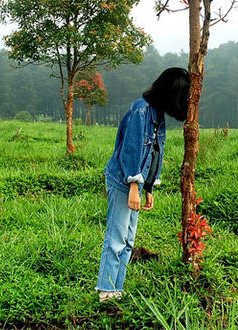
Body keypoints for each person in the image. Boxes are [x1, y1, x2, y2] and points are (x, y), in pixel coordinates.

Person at [96, 67, 190, 303]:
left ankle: (116, 290)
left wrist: (148, 188)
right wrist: (135, 187)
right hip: (122, 182)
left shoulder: (158, 115)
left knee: (128, 241)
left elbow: (156, 153)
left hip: (136, 184)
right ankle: (106, 291)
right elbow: (131, 150)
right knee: (116, 238)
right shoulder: (141, 110)